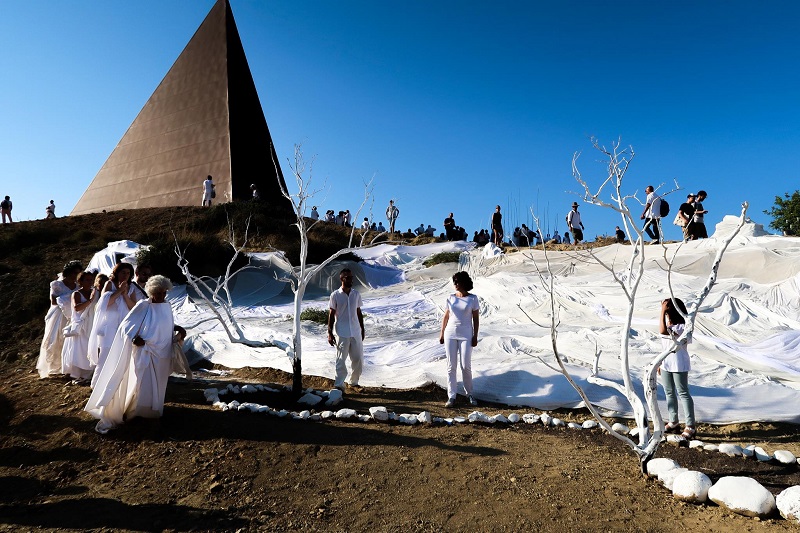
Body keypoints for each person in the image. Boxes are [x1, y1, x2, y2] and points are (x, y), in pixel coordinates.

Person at [85, 275, 187, 434]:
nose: (161, 296)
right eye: (158, 293)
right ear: (151, 292)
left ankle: (153, 412)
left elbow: (165, 324)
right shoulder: (143, 305)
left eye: (164, 292)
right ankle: (140, 413)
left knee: (159, 385)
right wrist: (134, 338)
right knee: (144, 383)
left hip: (162, 354)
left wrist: (178, 328)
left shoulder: (166, 306)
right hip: (145, 352)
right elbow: (126, 326)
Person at [89, 262, 142, 388]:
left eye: (128, 273)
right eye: (123, 272)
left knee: (121, 354)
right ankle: (97, 385)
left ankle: (115, 385)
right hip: (109, 325)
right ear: (117, 273)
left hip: (123, 325)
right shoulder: (109, 284)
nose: (126, 275)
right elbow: (105, 302)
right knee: (106, 355)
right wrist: (119, 290)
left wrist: (125, 295)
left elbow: (133, 307)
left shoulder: (132, 288)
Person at [439, 271, 480, 408]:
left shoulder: (473, 299)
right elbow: (446, 316)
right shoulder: (451, 298)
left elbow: (476, 319)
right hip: (450, 333)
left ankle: (469, 394)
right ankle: (451, 396)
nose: (455, 284)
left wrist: (475, 336)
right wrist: (442, 333)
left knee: (465, 365)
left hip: (466, 334)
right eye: (454, 282)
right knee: (451, 366)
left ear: (464, 282)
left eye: (457, 281)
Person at [37, 260, 83, 378]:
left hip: (73, 314)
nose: (75, 275)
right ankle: (54, 367)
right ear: (67, 272)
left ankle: (68, 367)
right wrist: (69, 298)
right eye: (73, 272)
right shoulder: (57, 284)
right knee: (56, 339)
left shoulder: (78, 286)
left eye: (77, 273)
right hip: (59, 315)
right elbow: (53, 301)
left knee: (70, 340)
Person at [659, 297, 696, 442]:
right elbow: (664, 344)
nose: (666, 314)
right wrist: (660, 362)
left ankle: (690, 426)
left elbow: (662, 331)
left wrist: (662, 311)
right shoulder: (669, 324)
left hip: (679, 364)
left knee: (683, 393)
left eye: (668, 311)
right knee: (669, 392)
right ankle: (673, 421)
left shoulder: (682, 326)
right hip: (666, 363)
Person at [327, 269, 365, 391]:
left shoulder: (356, 294)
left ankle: (354, 383)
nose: (351, 280)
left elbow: (358, 312)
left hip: (355, 331)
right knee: (341, 360)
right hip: (341, 332)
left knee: (358, 359)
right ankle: (339, 384)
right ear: (342, 279)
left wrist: (362, 328)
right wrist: (329, 332)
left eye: (351, 277)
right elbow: (331, 314)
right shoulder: (335, 295)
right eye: (348, 277)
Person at [61, 271, 99, 382]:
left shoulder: (95, 292)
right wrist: (90, 300)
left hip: (92, 322)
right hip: (81, 324)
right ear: (80, 281)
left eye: (91, 280)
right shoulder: (76, 294)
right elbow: (77, 308)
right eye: (87, 280)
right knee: (80, 348)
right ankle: (79, 373)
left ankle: (90, 373)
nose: (90, 282)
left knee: (91, 346)